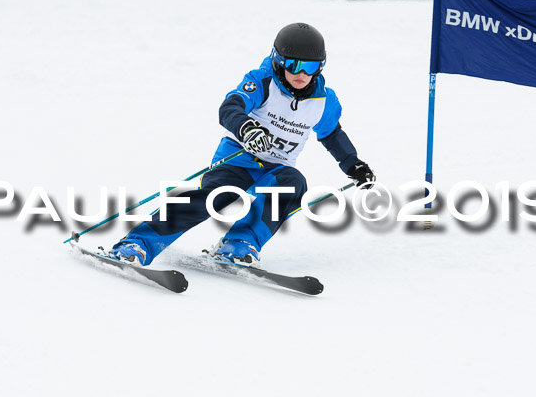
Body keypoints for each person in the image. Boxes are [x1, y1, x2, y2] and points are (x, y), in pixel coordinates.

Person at [110, 22, 375, 268]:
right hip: (238, 160)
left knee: (294, 183)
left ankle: (238, 244)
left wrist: (354, 165)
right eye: (294, 65)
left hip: (277, 169)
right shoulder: (262, 82)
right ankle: (138, 243)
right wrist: (248, 128)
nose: (301, 74)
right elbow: (230, 107)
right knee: (212, 197)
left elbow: (331, 134)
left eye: (310, 67)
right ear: (279, 61)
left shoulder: (323, 101)